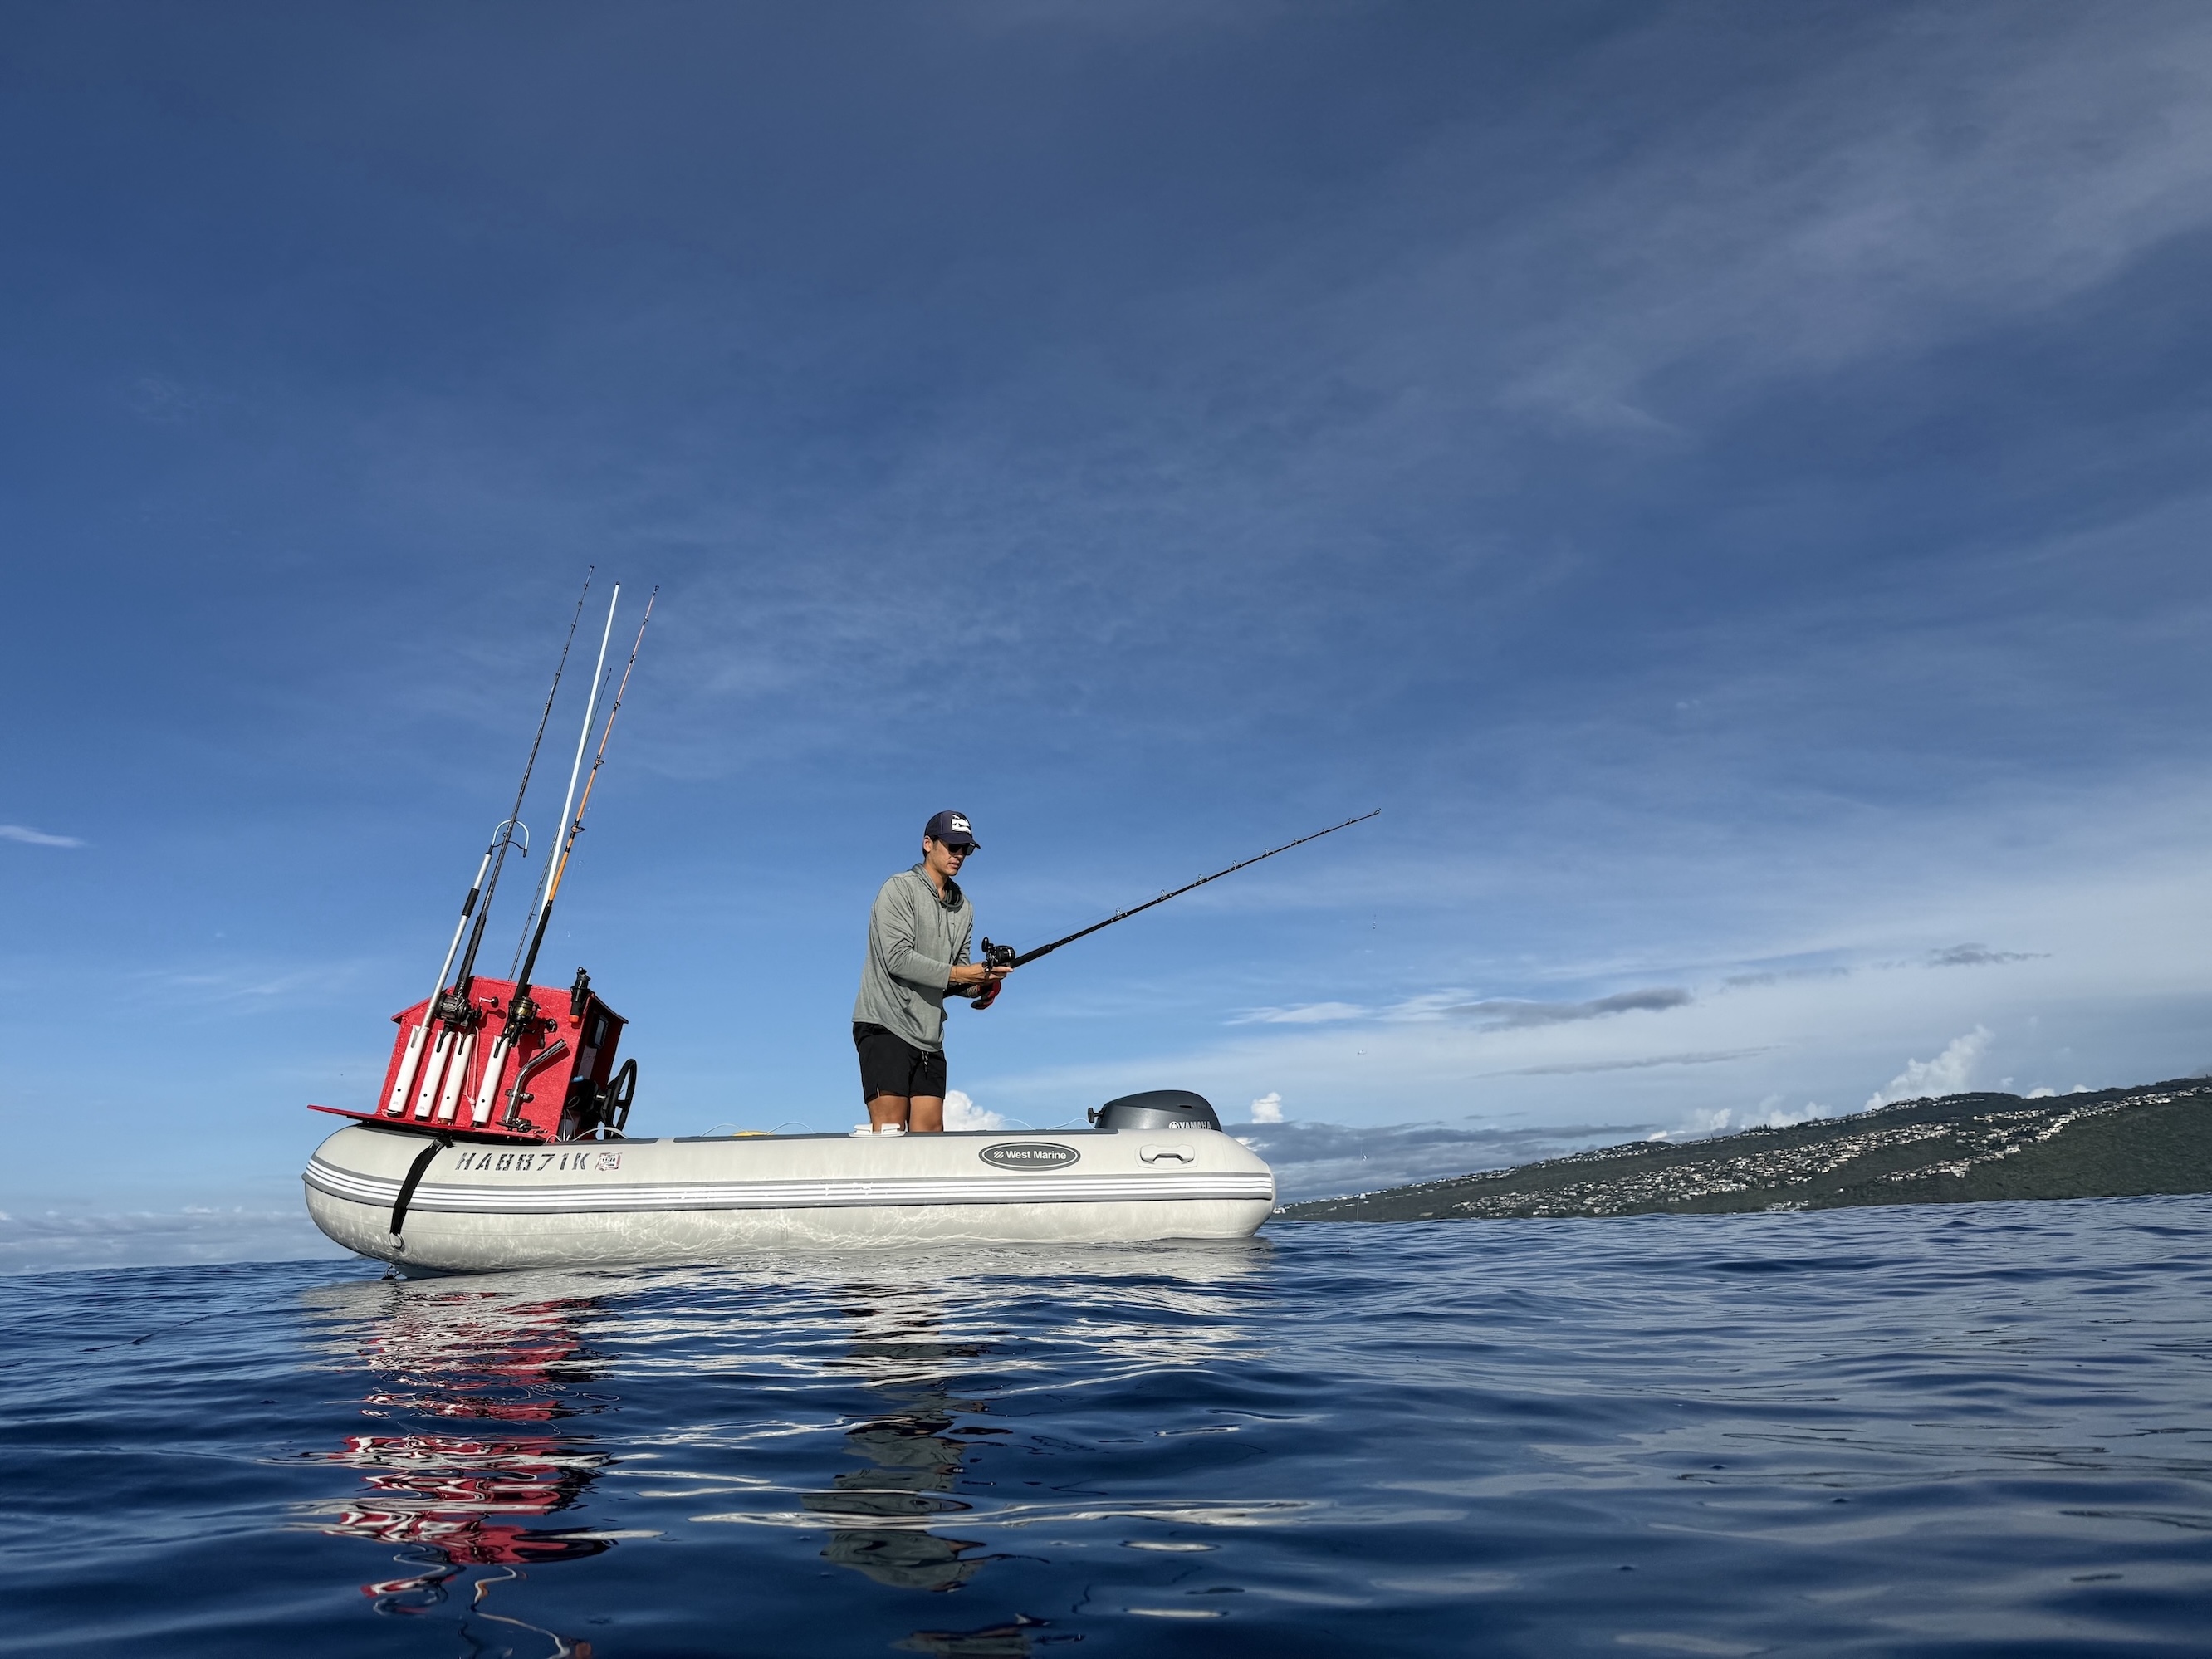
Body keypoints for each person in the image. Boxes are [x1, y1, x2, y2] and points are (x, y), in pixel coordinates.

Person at [851, 810, 1011, 1134]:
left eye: (964, 849)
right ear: (928, 844)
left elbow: (956, 974)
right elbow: (898, 959)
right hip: (884, 1025)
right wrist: (965, 974)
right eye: (951, 846)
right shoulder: (898, 889)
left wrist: (982, 984)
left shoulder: (964, 906)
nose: (958, 855)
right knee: (890, 1132)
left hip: (929, 1036)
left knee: (930, 1137)